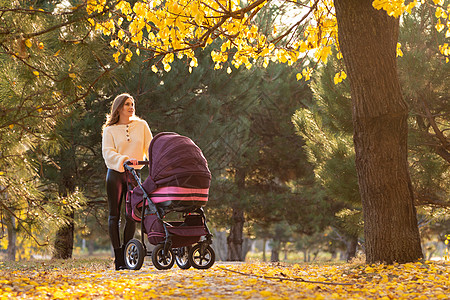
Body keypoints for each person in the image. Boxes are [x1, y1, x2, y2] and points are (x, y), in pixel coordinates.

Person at [102, 93, 152, 270]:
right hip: (115, 173)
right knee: (114, 215)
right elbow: (107, 152)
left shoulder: (142, 126)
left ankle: (126, 253)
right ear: (118, 108)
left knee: (132, 216)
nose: (131, 107)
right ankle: (118, 257)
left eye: (132, 104)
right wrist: (123, 160)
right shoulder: (109, 130)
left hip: (134, 175)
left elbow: (150, 148)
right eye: (127, 104)